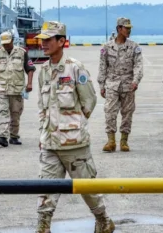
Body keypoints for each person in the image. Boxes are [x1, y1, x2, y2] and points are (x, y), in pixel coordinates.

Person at [35, 21, 115, 233]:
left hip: (74, 145)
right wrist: (44, 131)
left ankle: (103, 220)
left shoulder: (75, 67)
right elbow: (42, 107)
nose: (43, 44)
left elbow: (89, 101)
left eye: (48, 40)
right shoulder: (43, 71)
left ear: (61, 41)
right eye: (42, 40)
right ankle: (43, 226)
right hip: (50, 144)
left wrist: (73, 125)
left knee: (87, 188)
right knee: (46, 190)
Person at [98, 17, 143, 152]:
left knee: (127, 113)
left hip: (128, 85)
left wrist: (136, 80)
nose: (129, 30)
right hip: (112, 84)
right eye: (126, 28)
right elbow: (102, 67)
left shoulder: (134, 47)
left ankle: (124, 140)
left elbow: (138, 65)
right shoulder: (107, 47)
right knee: (109, 112)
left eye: (130, 28)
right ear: (119, 28)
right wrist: (101, 85)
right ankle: (111, 141)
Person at [0, 31, 35, 147]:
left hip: (17, 89)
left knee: (15, 114)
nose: (6, 46)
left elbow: (30, 68)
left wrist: (29, 83)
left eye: (8, 43)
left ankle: (14, 136)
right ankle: (2, 137)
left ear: (12, 41)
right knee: (2, 112)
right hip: (2, 89)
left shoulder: (21, 53)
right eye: (4, 43)